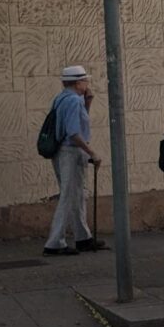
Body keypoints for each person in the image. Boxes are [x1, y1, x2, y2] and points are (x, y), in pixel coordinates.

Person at [44, 66, 104, 256]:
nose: (87, 83)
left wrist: (88, 102)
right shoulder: (72, 101)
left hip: (62, 150)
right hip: (71, 151)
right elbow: (74, 133)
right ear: (78, 82)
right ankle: (54, 242)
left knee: (76, 194)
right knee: (69, 195)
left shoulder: (62, 98)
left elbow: (78, 121)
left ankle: (82, 237)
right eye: (85, 80)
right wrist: (92, 152)